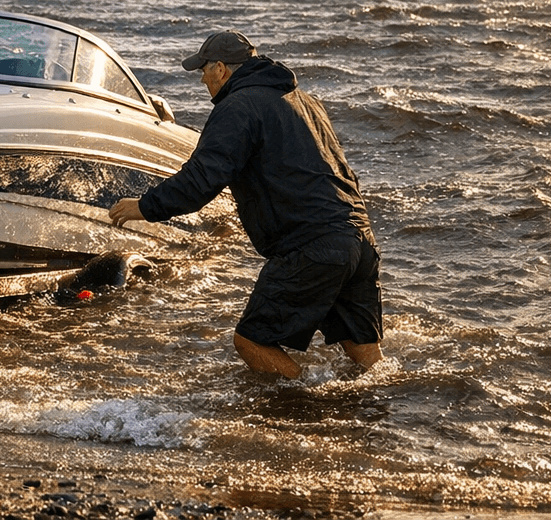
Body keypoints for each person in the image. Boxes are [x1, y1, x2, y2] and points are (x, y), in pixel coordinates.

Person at [109, 31, 383, 378]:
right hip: (359, 239)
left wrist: (144, 207)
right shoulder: (304, 100)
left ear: (221, 68)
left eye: (203, 71)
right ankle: (380, 407)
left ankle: (307, 408)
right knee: (361, 347)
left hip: (312, 246)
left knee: (251, 341)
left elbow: (201, 180)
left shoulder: (237, 107)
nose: (203, 80)